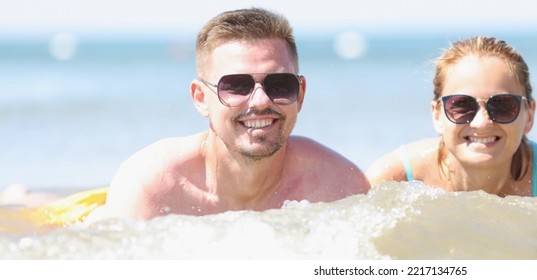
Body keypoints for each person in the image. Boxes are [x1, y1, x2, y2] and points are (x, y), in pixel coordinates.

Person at [10, 7, 369, 224]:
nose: (260, 100)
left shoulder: (340, 186)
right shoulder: (153, 186)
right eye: (236, 85)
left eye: (279, 83)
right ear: (201, 98)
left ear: (300, 93)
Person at [366, 36, 537, 204]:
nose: (481, 123)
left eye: (502, 106)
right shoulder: (395, 177)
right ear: (437, 115)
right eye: (461, 106)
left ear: (529, 116)